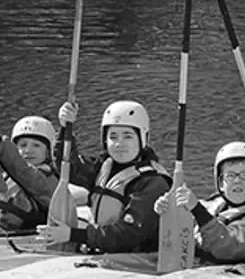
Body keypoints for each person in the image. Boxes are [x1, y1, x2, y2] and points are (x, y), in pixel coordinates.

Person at [33, 100, 172, 254]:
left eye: (128, 136)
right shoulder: (104, 167)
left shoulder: (152, 182)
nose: (119, 144)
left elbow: (129, 235)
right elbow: (69, 167)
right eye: (113, 136)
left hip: (137, 260)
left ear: (143, 138)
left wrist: (73, 235)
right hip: (104, 251)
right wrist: (66, 127)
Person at [154, 141, 245, 264]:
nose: (237, 181)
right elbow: (181, 230)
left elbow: (225, 247)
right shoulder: (213, 204)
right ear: (221, 184)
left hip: (230, 277)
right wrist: (167, 209)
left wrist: (197, 209)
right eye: (230, 176)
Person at [0, 114, 79, 232]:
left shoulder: (47, 179)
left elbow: (23, 172)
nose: (28, 150)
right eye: (23, 145)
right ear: (15, 149)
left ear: (48, 151)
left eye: (36, 145)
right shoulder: (10, 173)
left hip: (12, 232)